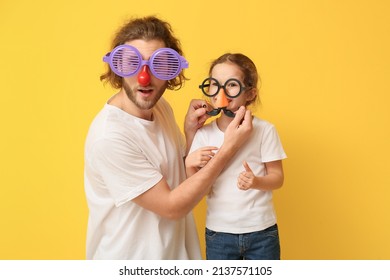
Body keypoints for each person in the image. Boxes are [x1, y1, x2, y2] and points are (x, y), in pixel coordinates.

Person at [84, 16, 253, 260]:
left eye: (159, 65)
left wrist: (190, 133)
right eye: (132, 63)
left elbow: (178, 175)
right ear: (117, 67)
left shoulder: (160, 107)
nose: (145, 78)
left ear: (172, 70)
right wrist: (228, 149)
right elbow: (172, 206)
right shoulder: (110, 137)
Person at [186, 53, 287, 260]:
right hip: (219, 234)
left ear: (250, 94)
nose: (222, 91)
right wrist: (189, 164)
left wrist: (256, 181)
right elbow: (198, 190)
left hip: (262, 232)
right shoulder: (203, 135)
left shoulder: (265, 130)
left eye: (231, 85)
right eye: (215, 84)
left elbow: (278, 178)